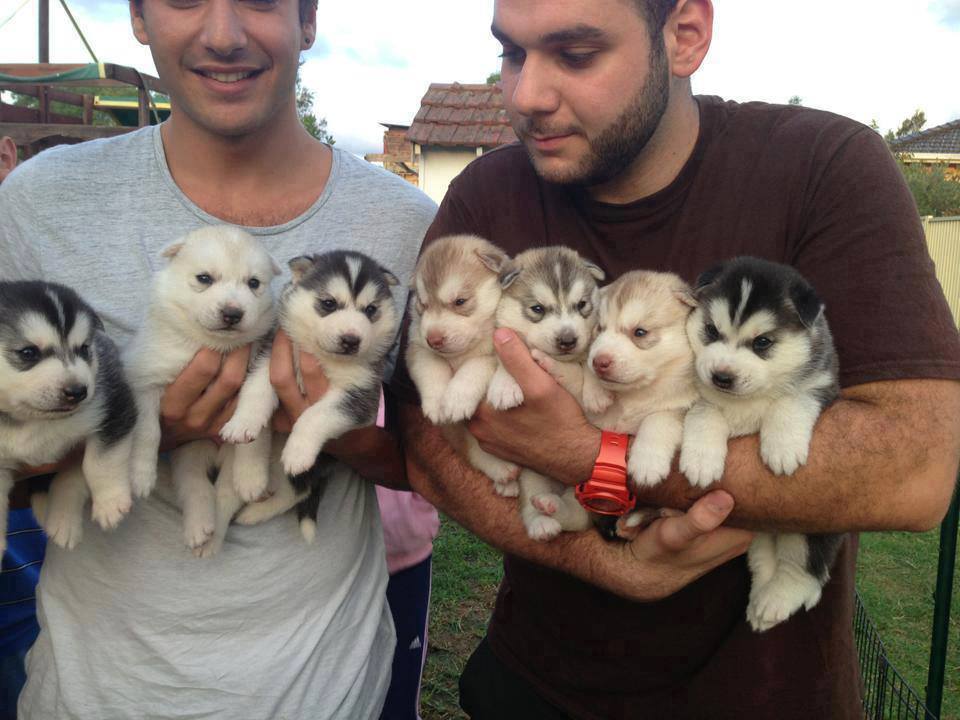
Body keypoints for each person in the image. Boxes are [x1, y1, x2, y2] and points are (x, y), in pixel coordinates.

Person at [397, 1, 960, 718]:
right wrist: (600, 561)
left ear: (684, 36)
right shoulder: (488, 194)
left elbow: (915, 467)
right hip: (535, 685)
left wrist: (591, 454)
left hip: (765, 699)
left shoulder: (825, 167)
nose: (524, 96)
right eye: (511, 53)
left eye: (575, 54)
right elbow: (421, 438)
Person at [0, 2, 435, 718]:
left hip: (325, 685)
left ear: (308, 20)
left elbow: (434, 459)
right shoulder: (41, 201)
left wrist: (341, 434)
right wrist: (140, 426)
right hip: (99, 691)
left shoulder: (402, 221)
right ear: (139, 17)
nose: (224, 33)